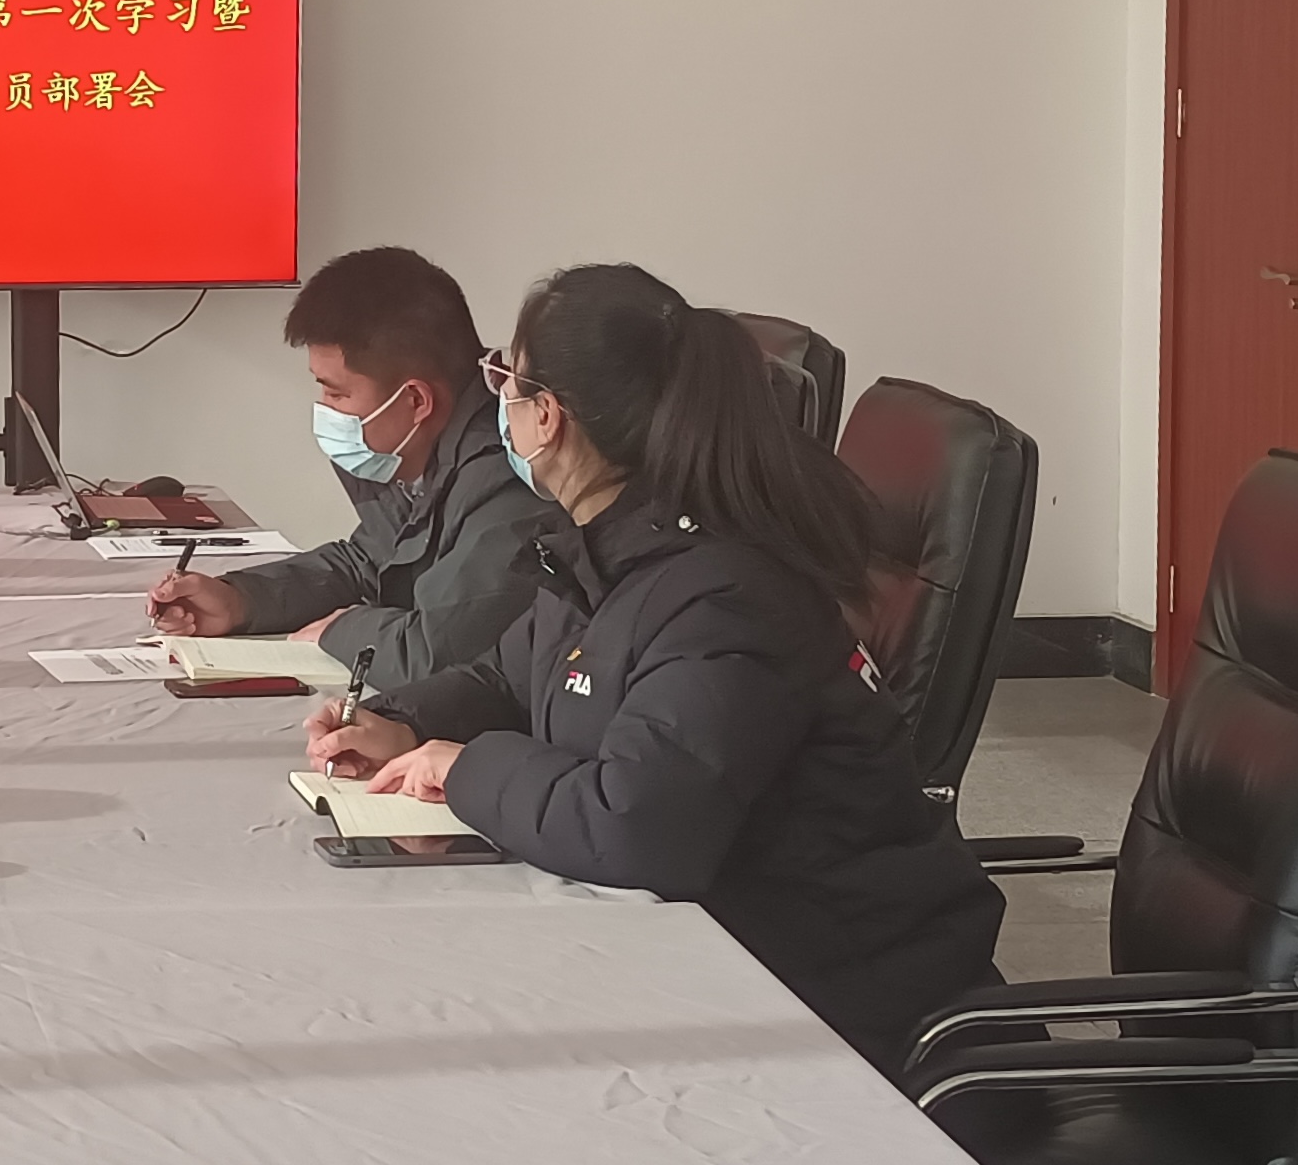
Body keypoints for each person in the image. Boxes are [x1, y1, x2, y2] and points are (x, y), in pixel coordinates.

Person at [308, 264, 1001, 1071]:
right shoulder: (604, 547)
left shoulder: (723, 591)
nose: (494, 399)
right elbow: (506, 677)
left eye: (505, 379)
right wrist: (400, 722)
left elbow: (635, 826)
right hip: (715, 966)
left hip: (847, 1022)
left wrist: (464, 768)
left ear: (548, 416)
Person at [149, 245, 562, 698]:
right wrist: (240, 600)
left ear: (416, 401)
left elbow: (435, 655)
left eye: (337, 394)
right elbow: (369, 562)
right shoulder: (419, 451)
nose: (325, 410)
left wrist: (344, 628)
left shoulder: (510, 478)